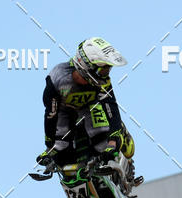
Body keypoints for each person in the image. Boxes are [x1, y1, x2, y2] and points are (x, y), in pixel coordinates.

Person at [36, 37, 134, 168]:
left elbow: (110, 104)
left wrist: (114, 136)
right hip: (65, 111)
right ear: (86, 65)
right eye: (103, 70)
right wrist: (50, 146)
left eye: (108, 69)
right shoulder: (58, 77)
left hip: (91, 107)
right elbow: (51, 114)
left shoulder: (102, 81)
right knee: (60, 149)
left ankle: (121, 142)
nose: (106, 74)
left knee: (102, 143)